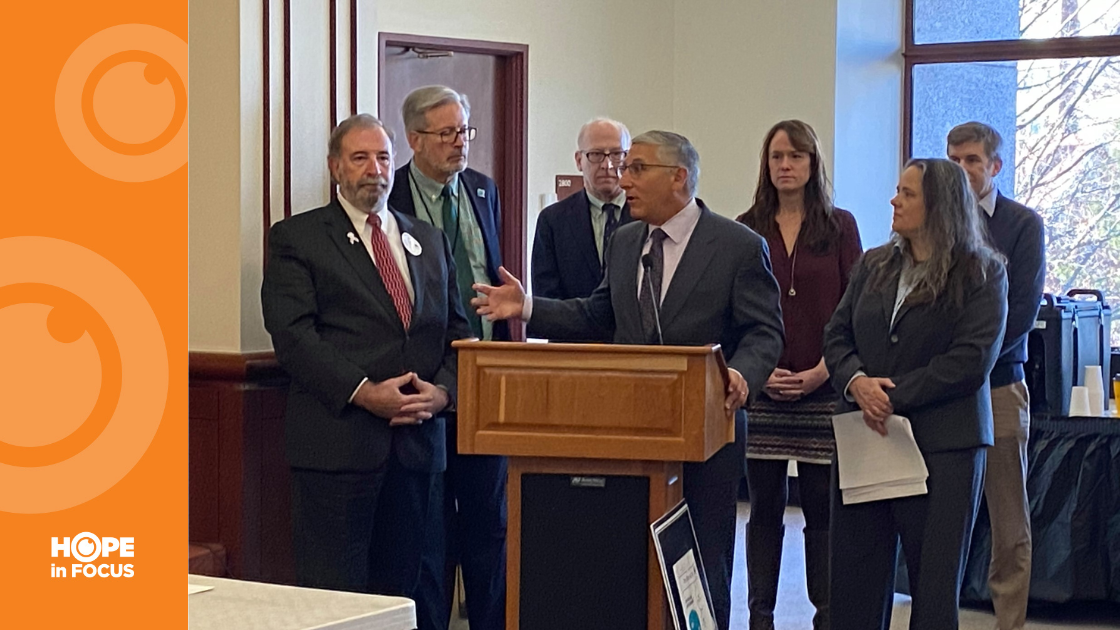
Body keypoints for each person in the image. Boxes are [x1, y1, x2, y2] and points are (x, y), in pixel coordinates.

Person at [472, 130, 785, 629]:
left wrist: (744, 377)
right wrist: (526, 307)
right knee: (628, 560)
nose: (624, 178)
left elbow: (765, 332)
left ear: (678, 178)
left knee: (702, 564)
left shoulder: (737, 246)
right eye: (625, 167)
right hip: (631, 431)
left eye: (638, 168)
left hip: (707, 430)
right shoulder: (626, 241)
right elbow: (598, 314)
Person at [260, 114, 472, 630]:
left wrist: (444, 395)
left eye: (382, 158)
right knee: (337, 600)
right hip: (340, 450)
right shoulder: (300, 238)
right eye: (360, 158)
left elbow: (458, 336)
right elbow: (293, 336)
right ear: (336, 167)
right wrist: (363, 392)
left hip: (419, 451)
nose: (374, 170)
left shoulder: (428, 240)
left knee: (405, 598)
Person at [823, 158, 1008, 630]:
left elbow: (970, 361)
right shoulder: (873, 264)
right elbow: (837, 335)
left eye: (906, 193)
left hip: (943, 446)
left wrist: (891, 395)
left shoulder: (982, 273)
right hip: (867, 436)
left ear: (939, 205)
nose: (894, 200)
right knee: (854, 578)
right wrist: (856, 382)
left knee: (932, 586)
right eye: (897, 190)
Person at [387, 85, 507, 630]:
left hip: (486, 382)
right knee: (432, 529)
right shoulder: (393, 203)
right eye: (447, 133)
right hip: (424, 384)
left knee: (490, 522)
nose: (461, 143)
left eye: (465, 131)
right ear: (414, 139)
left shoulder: (483, 191)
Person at [736, 120, 863, 630]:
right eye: (776, 157)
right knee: (763, 511)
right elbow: (736, 309)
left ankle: (826, 616)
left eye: (796, 157)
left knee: (820, 513)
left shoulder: (840, 226)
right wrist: (757, 372)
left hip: (824, 387)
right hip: (763, 390)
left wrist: (822, 372)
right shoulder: (745, 226)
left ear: (813, 165)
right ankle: (759, 615)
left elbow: (855, 308)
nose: (785, 166)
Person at [947, 122, 1043, 630]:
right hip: (944, 393)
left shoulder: (1022, 224)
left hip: (1000, 384)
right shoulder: (936, 224)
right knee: (945, 514)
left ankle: (1009, 623)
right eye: (954, 160)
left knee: (1008, 520)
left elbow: (1022, 310)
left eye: (972, 161)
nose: (962, 170)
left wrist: (969, 364)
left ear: (994, 166)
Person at [532, 118, 634, 299]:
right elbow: (546, 301)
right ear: (579, 161)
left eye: (617, 154)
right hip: (573, 326)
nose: (607, 165)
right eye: (596, 154)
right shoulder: (553, 221)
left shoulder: (648, 216)